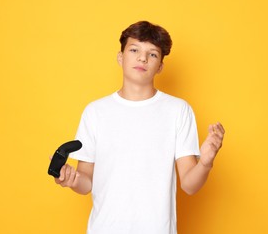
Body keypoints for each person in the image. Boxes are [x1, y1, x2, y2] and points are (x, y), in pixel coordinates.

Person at [52, 21, 225, 234]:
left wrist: (206, 163)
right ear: (120, 57)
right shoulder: (95, 112)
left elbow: (189, 185)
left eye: (152, 54)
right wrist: (72, 179)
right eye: (134, 50)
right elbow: (86, 182)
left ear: (160, 65)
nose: (142, 58)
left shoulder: (178, 111)